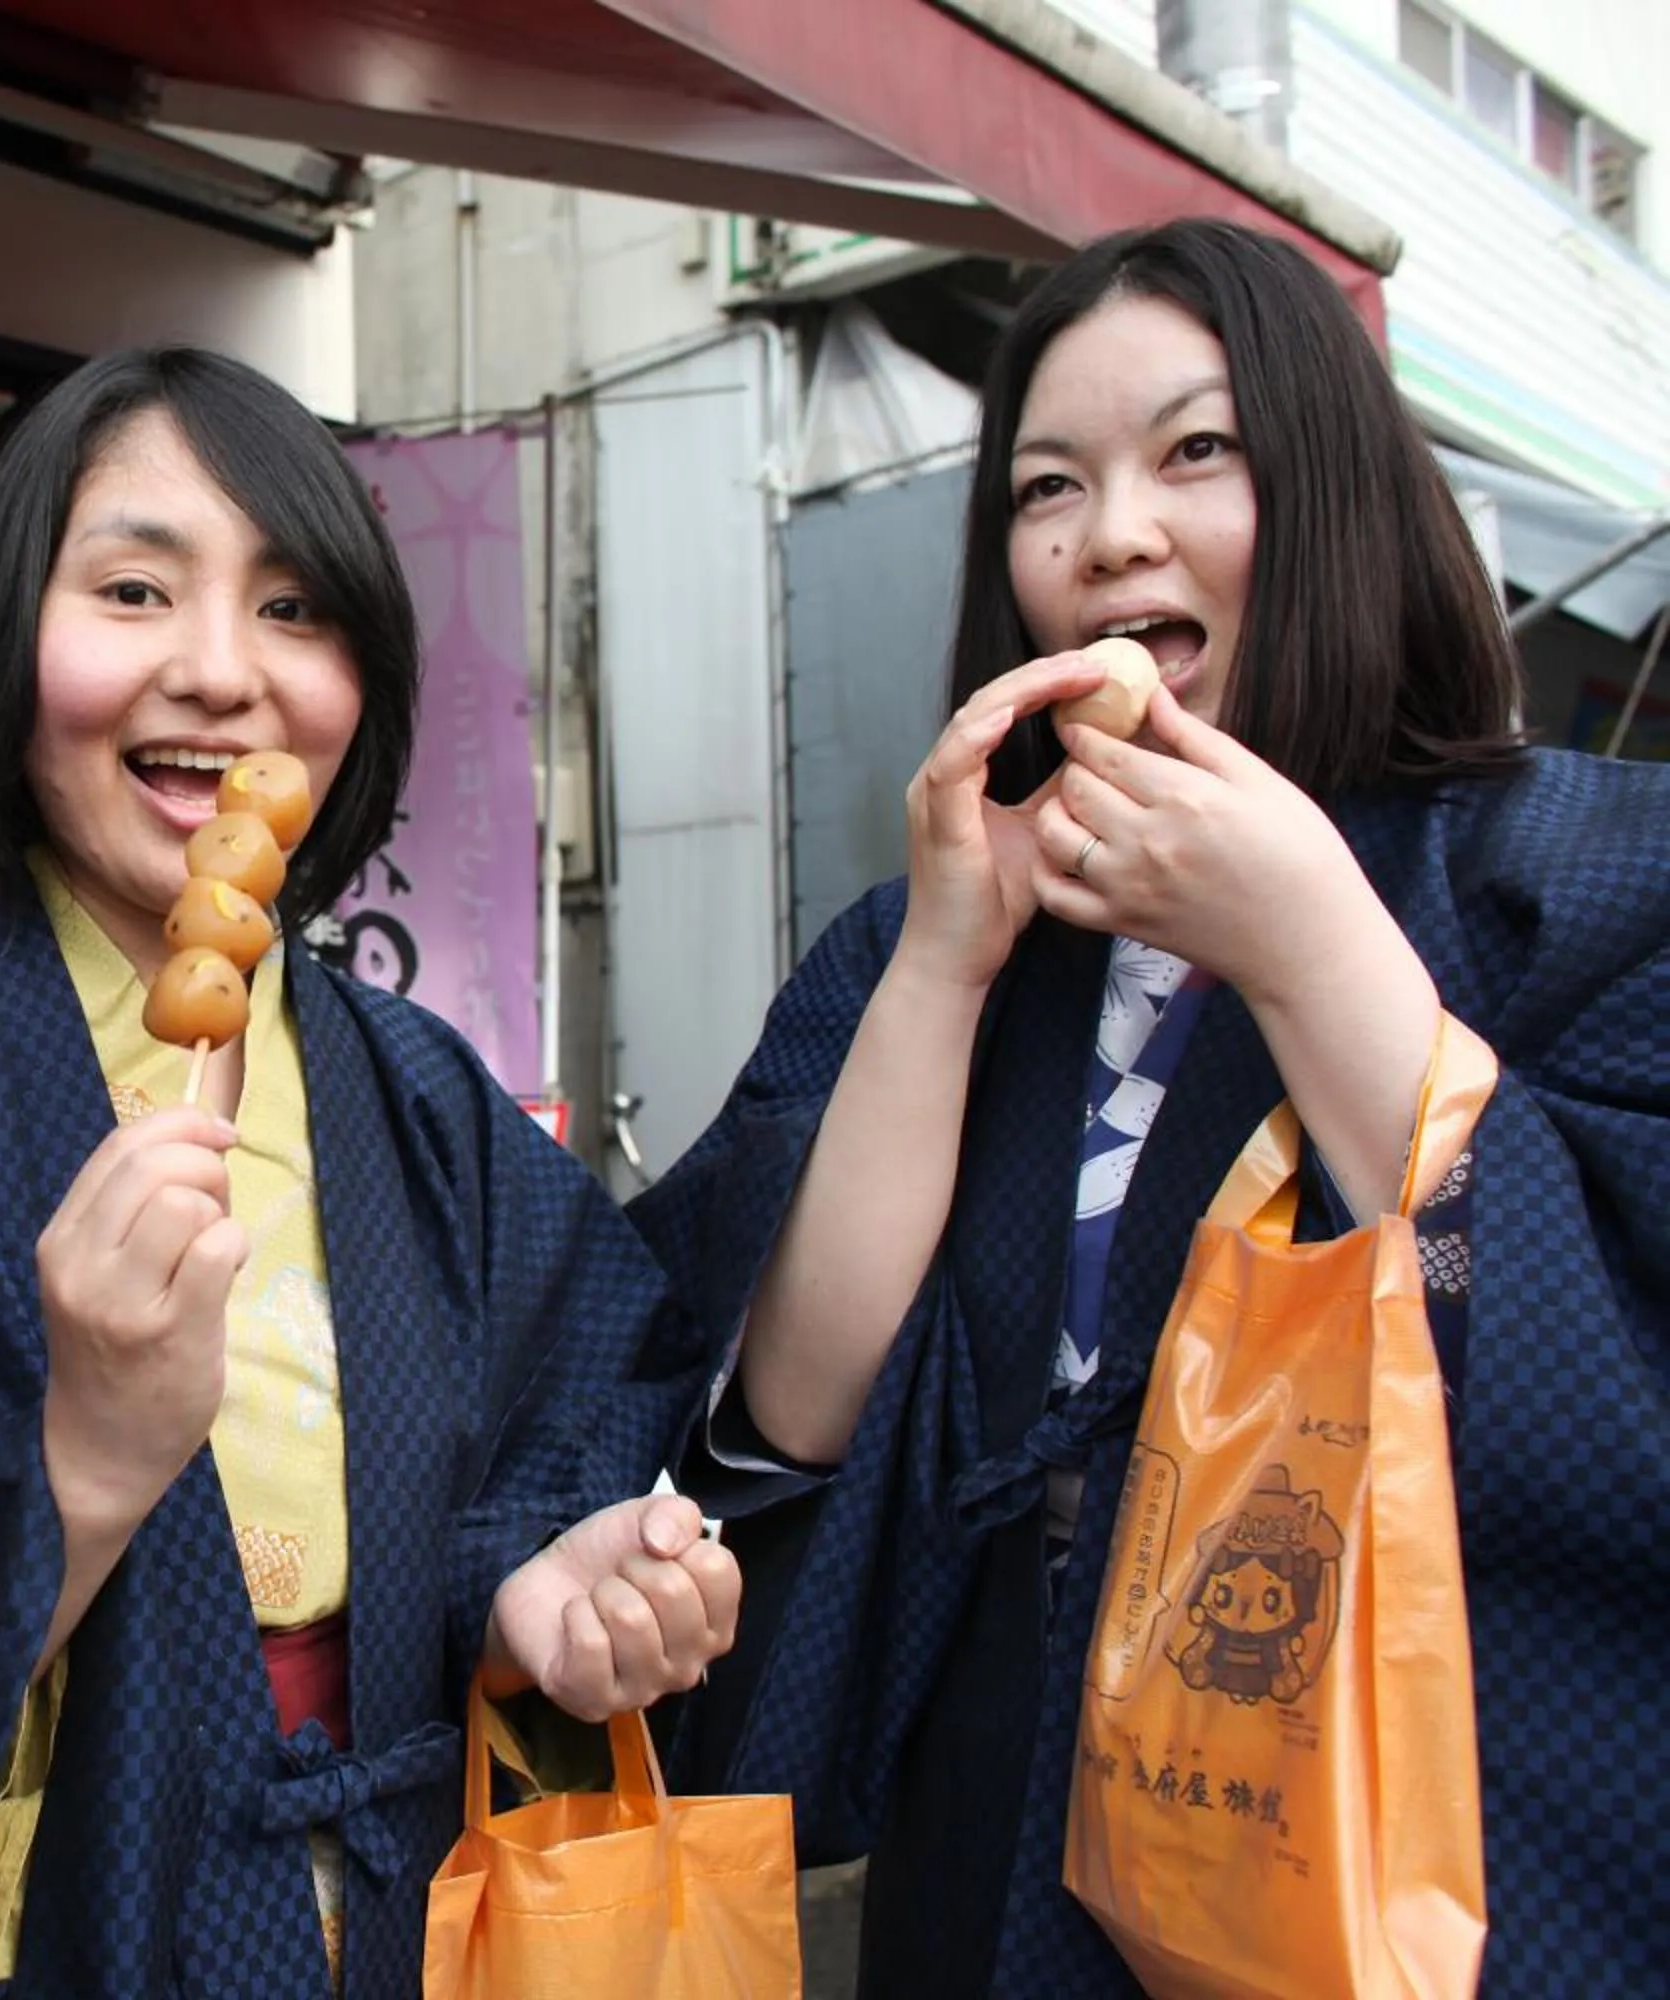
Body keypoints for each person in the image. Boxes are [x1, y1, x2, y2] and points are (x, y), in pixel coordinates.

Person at [0, 346, 740, 1997]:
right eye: (132, 589)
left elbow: (592, 1398)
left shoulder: (418, 1098)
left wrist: (541, 1580)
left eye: (293, 608)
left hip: (408, 1926)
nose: (217, 673)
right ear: (9, 653)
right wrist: (82, 1463)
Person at [635, 218, 1670, 1996]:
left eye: (1196, 453)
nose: (1111, 532)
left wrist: (1310, 945)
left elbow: (1600, 1385)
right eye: (1050, 488)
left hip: (1408, 1824)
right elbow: (784, 1427)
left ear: (1335, 488)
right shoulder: (943, 921)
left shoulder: (1572, 875)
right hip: (1005, 1804)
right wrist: (943, 973)